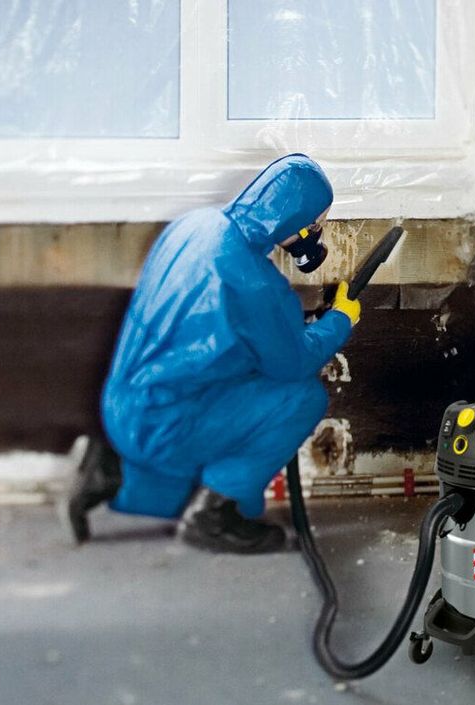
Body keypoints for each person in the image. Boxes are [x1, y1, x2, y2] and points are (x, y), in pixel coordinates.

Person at [63, 154, 361, 553]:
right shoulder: (254, 282)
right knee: (302, 398)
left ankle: (110, 471)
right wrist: (340, 319)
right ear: (298, 221)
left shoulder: (193, 225)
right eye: (316, 223)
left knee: (192, 461)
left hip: (123, 406)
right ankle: (213, 517)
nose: (316, 232)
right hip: (163, 425)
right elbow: (293, 364)